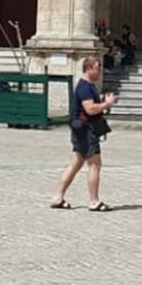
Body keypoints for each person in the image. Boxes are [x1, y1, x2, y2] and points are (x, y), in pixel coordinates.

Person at [52, 55, 116, 211]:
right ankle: (94, 201)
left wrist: (103, 101)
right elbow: (90, 109)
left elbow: (92, 105)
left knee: (76, 164)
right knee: (95, 164)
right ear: (88, 69)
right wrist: (106, 104)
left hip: (82, 131)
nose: (100, 71)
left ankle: (58, 197)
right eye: (98, 68)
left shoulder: (89, 86)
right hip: (86, 131)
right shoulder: (85, 87)